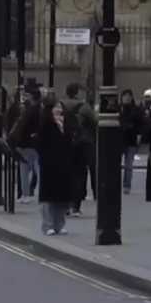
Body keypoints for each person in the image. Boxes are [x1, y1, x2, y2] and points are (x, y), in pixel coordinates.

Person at [37, 98, 76, 235]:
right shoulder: (46, 124)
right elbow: (40, 144)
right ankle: (48, 225)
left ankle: (59, 224)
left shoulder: (67, 124)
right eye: (56, 107)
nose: (59, 110)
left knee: (61, 197)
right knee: (48, 197)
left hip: (64, 164)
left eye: (60, 107)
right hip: (49, 164)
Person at [63, 83, 97, 216]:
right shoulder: (84, 107)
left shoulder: (60, 104)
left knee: (66, 174)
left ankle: (65, 205)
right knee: (79, 174)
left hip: (65, 143)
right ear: (77, 93)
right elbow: (95, 121)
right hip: (82, 143)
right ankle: (75, 207)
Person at [10, 87, 43, 204]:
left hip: (26, 143)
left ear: (32, 97)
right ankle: (38, 193)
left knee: (25, 169)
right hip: (36, 143)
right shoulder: (41, 109)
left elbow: (22, 127)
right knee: (37, 169)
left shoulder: (29, 111)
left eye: (28, 96)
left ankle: (25, 194)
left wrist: (17, 141)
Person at [119, 89, 144, 195]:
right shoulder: (118, 108)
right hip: (119, 139)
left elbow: (141, 123)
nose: (127, 98)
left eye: (129, 96)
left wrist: (139, 135)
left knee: (129, 165)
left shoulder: (136, 109)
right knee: (116, 164)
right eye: (125, 96)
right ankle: (117, 184)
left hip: (131, 139)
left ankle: (126, 185)